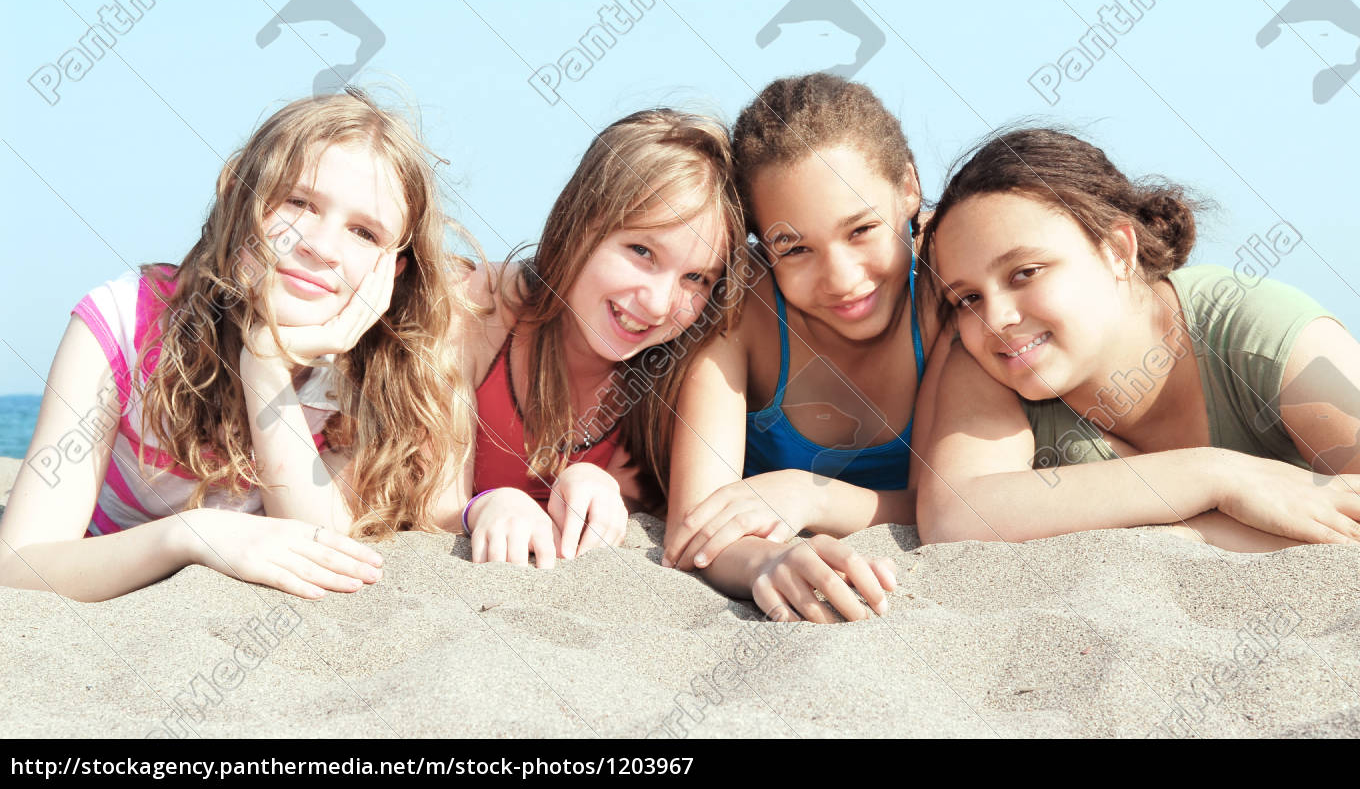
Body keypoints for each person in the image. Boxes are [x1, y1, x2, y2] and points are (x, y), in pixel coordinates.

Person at [0, 88, 475, 601]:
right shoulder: (124, 323)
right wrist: (191, 535)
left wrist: (266, 364)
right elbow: (20, 567)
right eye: (299, 202)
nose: (321, 246)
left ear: (393, 270)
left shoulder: (377, 369)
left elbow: (323, 547)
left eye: (364, 232)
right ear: (241, 200)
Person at [919, 126, 1360, 551]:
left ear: (1117, 251)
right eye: (966, 299)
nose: (995, 317)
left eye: (1025, 272)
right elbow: (954, 515)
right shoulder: (992, 359)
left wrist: (1177, 529)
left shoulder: (1260, 333)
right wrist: (1218, 478)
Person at [663, 74, 950, 623]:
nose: (841, 279)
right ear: (759, 242)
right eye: (794, 248)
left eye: (862, 228)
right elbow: (694, 526)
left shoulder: (951, 285)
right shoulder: (741, 315)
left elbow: (965, 499)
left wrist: (811, 495)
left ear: (909, 187)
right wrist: (767, 561)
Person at [454, 109, 746, 568]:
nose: (657, 303)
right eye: (642, 251)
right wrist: (483, 505)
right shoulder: (477, 308)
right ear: (579, 222)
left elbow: (654, 501)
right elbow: (408, 486)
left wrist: (599, 482)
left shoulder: (670, 374)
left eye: (696, 278)